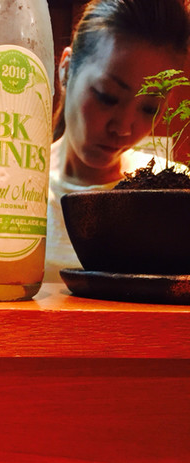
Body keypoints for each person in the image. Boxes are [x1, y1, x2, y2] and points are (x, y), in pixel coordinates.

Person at [45, 0, 190, 281]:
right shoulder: (7, 189)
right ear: (66, 69)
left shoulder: (175, 196)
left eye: (149, 108)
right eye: (107, 96)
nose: (123, 128)